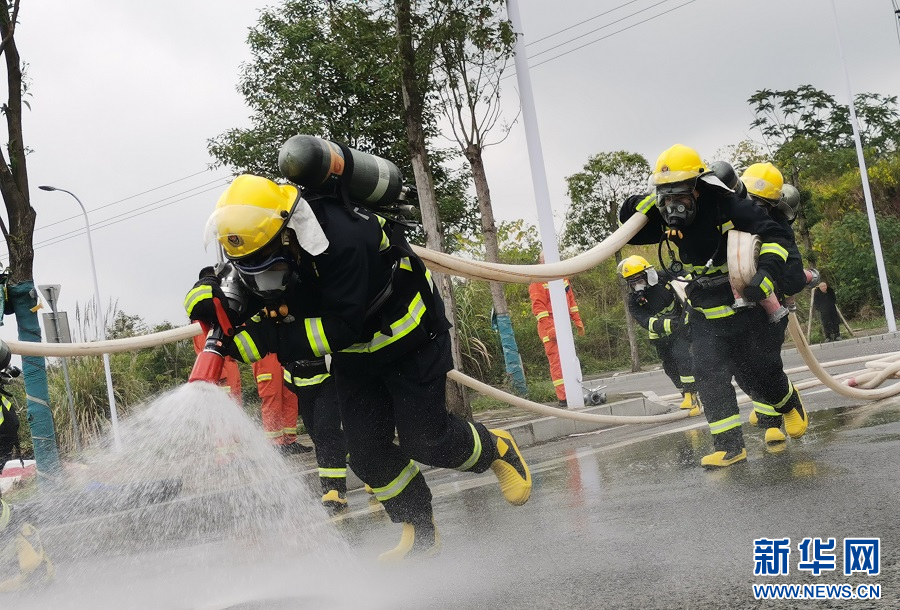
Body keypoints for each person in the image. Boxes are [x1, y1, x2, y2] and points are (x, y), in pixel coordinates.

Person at [186, 171, 532, 560]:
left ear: (287, 235)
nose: (262, 277)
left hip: (407, 339)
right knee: (365, 452)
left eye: (267, 267)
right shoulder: (267, 240)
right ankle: (419, 528)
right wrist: (206, 291)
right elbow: (238, 278)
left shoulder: (345, 242)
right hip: (356, 357)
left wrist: (265, 339)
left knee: (426, 440)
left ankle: (497, 448)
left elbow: (341, 327)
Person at [619, 144, 809, 468]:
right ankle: (729, 447)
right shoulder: (664, 213)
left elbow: (775, 236)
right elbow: (629, 222)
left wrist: (766, 275)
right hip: (705, 309)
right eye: (666, 197)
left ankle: (788, 403)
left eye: (679, 196)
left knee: (760, 372)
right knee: (708, 374)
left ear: (698, 188)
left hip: (744, 303)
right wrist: (656, 198)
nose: (672, 207)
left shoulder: (726, 206)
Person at [738, 162, 819, 444]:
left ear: (774, 206)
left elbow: (793, 277)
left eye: (761, 204)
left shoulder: (778, 229)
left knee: (765, 364)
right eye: (749, 201)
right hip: (735, 308)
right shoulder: (726, 218)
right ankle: (765, 409)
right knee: (741, 368)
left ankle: (783, 410)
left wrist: (772, 279)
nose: (753, 208)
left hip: (770, 309)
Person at [616, 255, 700, 416]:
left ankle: (692, 395)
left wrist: (682, 273)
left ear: (648, 274)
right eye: (631, 282)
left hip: (681, 330)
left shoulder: (662, 278)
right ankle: (685, 393)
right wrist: (668, 323)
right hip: (661, 336)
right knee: (669, 366)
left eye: (638, 279)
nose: (636, 285)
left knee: (682, 357)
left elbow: (686, 279)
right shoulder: (633, 301)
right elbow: (645, 321)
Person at [283, 357, 349, 515]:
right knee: (318, 436)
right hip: (301, 382)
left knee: (326, 432)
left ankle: (334, 489)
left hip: (328, 378)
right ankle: (358, 459)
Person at [528, 254, 585, 408]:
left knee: (570, 359)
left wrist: (577, 320)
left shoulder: (563, 277)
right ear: (541, 261)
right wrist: (550, 328)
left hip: (564, 322)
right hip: (549, 324)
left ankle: (573, 391)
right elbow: (538, 307)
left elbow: (571, 302)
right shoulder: (538, 279)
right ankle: (563, 396)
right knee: (557, 362)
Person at [187, 266, 243, 403]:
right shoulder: (207, 315)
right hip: (219, 371)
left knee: (231, 413)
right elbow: (209, 347)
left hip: (222, 370)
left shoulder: (202, 312)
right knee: (224, 414)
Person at [252, 352, 312, 455]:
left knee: (290, 398)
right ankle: (274, 444)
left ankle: (289, 442)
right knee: (272, 400)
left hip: (284, 352)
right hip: (265, 353)